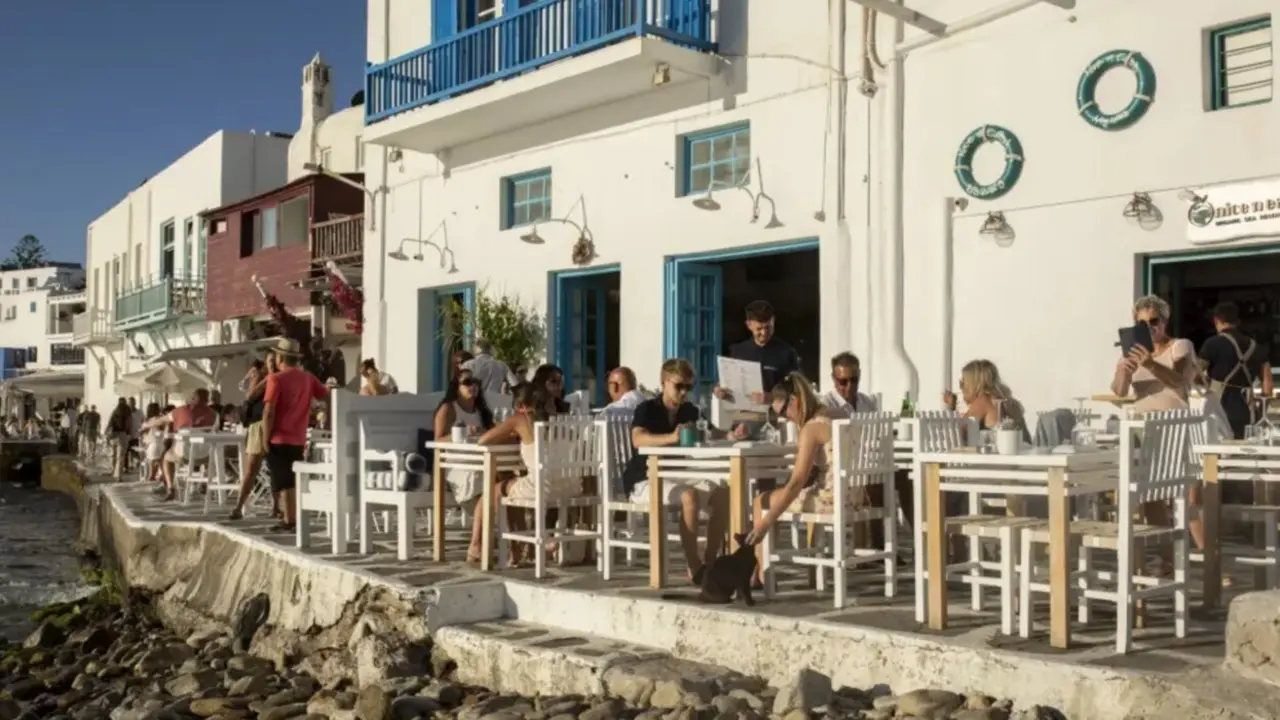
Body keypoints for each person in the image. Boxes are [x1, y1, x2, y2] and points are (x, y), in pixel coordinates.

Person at [623, 358, 744, 583]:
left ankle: (710, 561)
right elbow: (638, 439)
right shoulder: (647, 408)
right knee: (689, 496)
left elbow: (710, 431)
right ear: (663, 383)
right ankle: (694, 565)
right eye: (678, 386)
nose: (683, 392)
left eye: (688, 387)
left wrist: (731, 434)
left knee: (723, 493)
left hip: (678, 472)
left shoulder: (690, 410)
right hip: (646, 477)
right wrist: (672, 437)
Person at [745, 372, 843, 585]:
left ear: (794, 400)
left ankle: (761, 574)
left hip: (831, 499)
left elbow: (797, 482)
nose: (784, 418)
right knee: (780, 494)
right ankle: (759, 570)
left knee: (761, 501)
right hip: (855, 496)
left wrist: (765, 523)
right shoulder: (839, 414)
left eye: (783, 412)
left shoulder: (811, 429)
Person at [470, 385, 585, 566]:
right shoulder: (560, 421)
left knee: (492, 491)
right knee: (510, 487)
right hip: (570, 487)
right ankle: (520, 549)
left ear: (520, 405)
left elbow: (483, 440)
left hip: (542, 488)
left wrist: (508, 429)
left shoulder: (521, 419)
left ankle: (476, 545)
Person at [263, 338, 331, 532]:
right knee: (291, 478)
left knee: (283, 480)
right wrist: (328, 421)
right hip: (299, 436)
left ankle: (290, 519)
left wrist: (265, 437)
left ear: (281, 357)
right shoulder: (308, 378)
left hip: (279, 436)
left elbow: (269, 411)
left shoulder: (275, 379)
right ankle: (290, 517)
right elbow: (327, 396)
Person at [1199, 301, 1272, 440]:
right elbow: (1267, 384)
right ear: (1238, 322)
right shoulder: (1256, 347)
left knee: (1216, 450)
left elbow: (1194, 374)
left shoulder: (1212, 344)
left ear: (1216, 320)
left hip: (1217, 409)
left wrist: (1207, 382)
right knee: (1243, 450)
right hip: (1247, 410)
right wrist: (1261, 413)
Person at [1111, 295, 1197, 413]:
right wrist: (1123, 373)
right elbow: (1120, 392)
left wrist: (1151, 365)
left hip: (1174, 420)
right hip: (1143, 419)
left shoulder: (1179, 346)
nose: (1149, 327)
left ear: (1165, 321)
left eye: (1154, 321)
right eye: (1142, 323)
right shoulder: (1134, 351)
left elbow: (1180, 382)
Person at [714, 300, 801, 404]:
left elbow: (798, 389)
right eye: (759, 329)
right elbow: (725, 383)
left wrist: (773, 398)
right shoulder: (737, 352)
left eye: (768, 327)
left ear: (773, 321)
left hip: (775, 411)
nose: (764, 332)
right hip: (741, 411)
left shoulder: (787, 352)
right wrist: (719, 390)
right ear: (749, 325)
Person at [434, 369, 495, 507]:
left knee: (506, 473)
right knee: (480, 476)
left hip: (482, 460)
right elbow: (438, 440)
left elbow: (492, 433)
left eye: (476, 382)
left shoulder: (482, 412)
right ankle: (484, 516)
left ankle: (499, 516)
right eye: (467, 382)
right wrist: (462, 432)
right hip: (457, 465)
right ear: (457, 387)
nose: (473, 386)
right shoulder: (448, 408)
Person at [147, 389, 217, 500]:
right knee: (216, 457)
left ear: (193, 398)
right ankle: (204, 483)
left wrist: (147, 425)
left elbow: (160, 421)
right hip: (205, 456)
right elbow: (215, 431)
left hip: (184, 455)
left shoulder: (180, 411)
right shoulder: (214, 414)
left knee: (166, 458)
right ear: (207, 400)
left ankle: (170, 488)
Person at [229, 360, 271, 521]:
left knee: (261, 469)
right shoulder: (265, 379)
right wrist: (256, 378)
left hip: (265, 424)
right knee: (252, 469)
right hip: (257, 425)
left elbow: (250, 395)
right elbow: (250, 395)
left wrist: (260, 378)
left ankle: (274, 507)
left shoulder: (270, 378)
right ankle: (239, 506)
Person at [106, 398, 133, 481]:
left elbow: (109, 423)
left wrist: (106, 433)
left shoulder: (115, 411)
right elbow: (129, 424)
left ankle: (113, 470)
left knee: (113, 455)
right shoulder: (127, 411)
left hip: (113, 435)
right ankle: (118, 476)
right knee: (120, 457)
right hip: (122, 435)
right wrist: (129, 433)